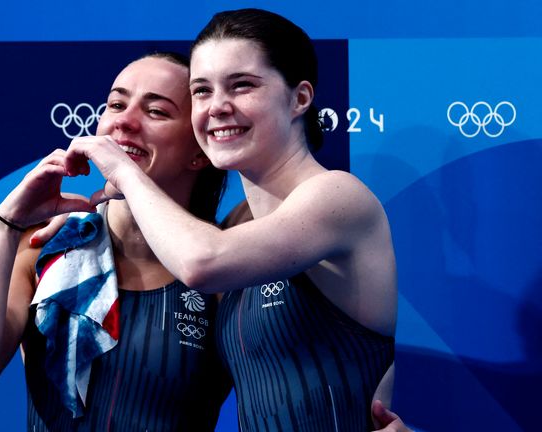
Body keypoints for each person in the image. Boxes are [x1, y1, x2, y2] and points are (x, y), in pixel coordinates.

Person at [61, 8, 404, 431]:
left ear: (299, 98)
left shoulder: (338, 197)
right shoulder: (240, 229)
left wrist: (125, 171)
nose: (218, 107)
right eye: (202, 91)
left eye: (242, 85)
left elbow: (201, 264)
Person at [0, 52, 232, 431]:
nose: (124, 121)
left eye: (156, 111)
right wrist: (5, 227)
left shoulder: (225, 267)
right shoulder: (45, 248)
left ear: (199, 153)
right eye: (116, 104)